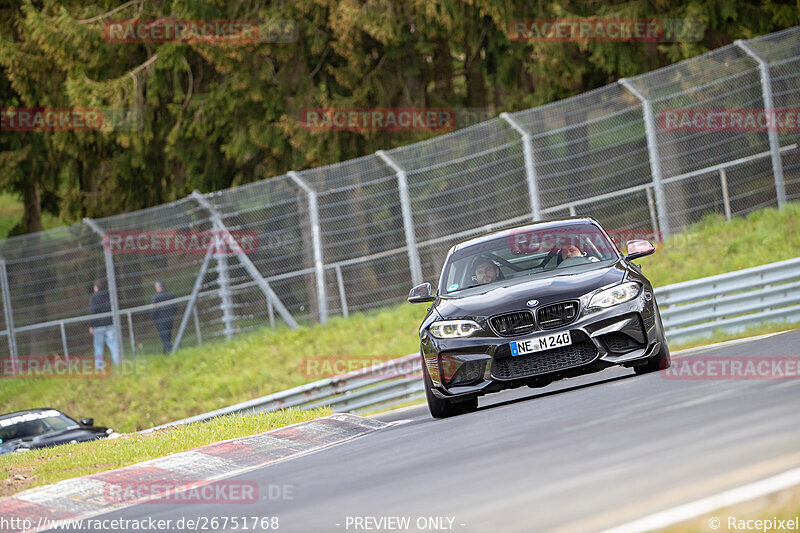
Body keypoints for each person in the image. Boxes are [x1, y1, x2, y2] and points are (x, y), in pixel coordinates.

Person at [89, 280, 120, 368]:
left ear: (96, 288)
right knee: (113, 345)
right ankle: (118, 364)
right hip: (110, 323)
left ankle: (99, 367)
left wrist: (91, 325)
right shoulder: (109, 296)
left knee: (98, 347)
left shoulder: (93, 298)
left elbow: (92, 312)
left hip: (98, 326)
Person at [151, 280, 178, 354]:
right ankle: (165, 353)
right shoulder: (170, 295)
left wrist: (154, 319)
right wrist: (172, 315)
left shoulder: (155, 297)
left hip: (160, 320)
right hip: (170, 319)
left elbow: (154, 310)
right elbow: (175, 307)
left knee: (164, 338)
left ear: (158, 287)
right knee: (168, 336)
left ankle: (171, 351)